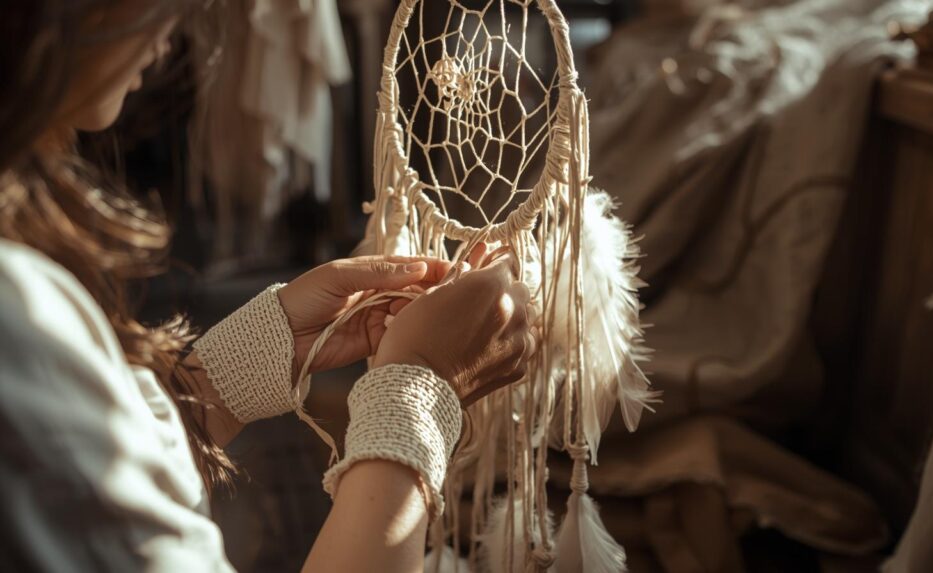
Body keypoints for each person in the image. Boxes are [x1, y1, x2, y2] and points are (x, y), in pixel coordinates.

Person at [0, 2, 535, 571]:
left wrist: (240, 367)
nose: (170, 36)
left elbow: (85, 475)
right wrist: (418, 396)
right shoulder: (18, 315)